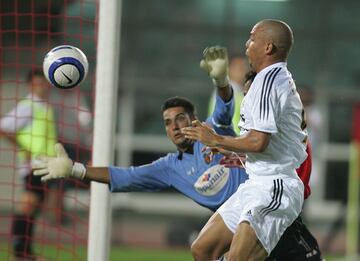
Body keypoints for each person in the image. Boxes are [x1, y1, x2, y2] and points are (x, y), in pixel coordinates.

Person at [32, 47, 321, 260]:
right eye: (169, 123)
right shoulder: (170, 167)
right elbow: (125, 176)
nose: (176, 126)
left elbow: (225, 108)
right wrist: (75, 170)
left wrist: (221, 82)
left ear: (194, 118)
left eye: (181, 118)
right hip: (238, 227)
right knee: (202, 251)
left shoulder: (212, 131)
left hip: (274, 217)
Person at [182, 19, 309, 261]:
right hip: (256, 183)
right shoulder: (267, 80)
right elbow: (266, 142)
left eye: (252, 38)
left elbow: (258, 142)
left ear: (268, 47)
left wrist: (216, 139)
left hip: (275, 187)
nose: (246, 44)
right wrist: (229, 151)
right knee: (203, 249)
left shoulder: (269, 82)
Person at [0, 68, 57, 260]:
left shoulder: (45, 107)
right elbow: (4, 127)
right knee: (27, 205)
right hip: (33, 165)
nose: (42, 87)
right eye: (38, 83)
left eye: (44, 83)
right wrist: (25, 149)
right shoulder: (28, 106)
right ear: (31, 85)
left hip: (46, 166)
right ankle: (20, 252)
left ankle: (25, 252)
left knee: (33, 208)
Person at [208, 55, 249, 134]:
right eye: (240, 68)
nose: (244, 71)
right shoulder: (225, 92)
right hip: (230, 141)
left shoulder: (240, 91)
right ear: (229, 70)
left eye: (245, 67)